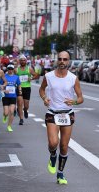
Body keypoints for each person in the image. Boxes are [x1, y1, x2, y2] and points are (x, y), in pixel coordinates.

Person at [39, 51, 84, 185]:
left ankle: (60, 173)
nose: (62, 61)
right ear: (56, 60)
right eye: (60, 59)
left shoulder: (73, 78)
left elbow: (81, 98)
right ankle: (53, 155)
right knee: (53, 143)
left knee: (64, 146)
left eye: (65, 59)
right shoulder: (48, 76)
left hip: (67, 114)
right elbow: (41, 90)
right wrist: (44, 98)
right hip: (52, 113)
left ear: (68, 61)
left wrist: (74, 102)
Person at [15, 55, 38, 125]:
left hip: (27, 88)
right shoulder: (16, 70)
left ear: (26, 61)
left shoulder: (29, 69)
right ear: (19, 61)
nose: (22, 61)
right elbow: (13, 77)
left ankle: (25, 110)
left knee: (26, 105)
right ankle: (21, 119)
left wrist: (31, 78)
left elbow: (36, 75)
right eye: (21, 60)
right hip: (19, 88)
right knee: (19, 103)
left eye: (24, 60)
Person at [2, 64, 21, 132]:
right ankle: (5, 116)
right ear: (7, 69)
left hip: (13, 96)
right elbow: (1, 86)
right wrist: (4, 90)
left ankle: (9, 126)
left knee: (12, 111)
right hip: (5, 97)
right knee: (6, 112)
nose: (10, 70)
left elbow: (19, 85)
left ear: (13, 70)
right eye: (9, 69)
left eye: (11, 69)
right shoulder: (4, 77)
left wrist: (20, 90)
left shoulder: (16, 77)